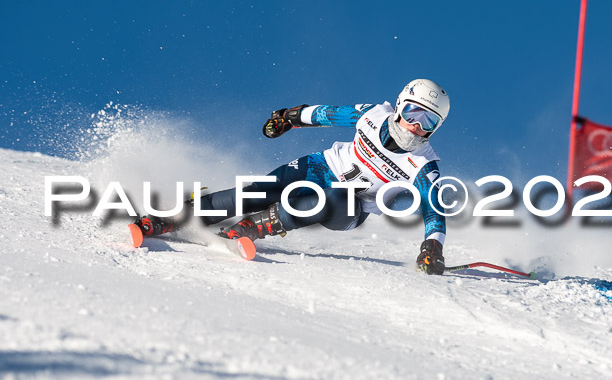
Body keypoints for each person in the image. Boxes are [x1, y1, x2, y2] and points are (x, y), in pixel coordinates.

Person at [134, 79, 450, 275]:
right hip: (320, 166)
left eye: (429, 122)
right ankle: (169, 219)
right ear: (398, 107)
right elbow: (329, 114)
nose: (416, 126)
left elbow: (434, 210)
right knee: (259, 191)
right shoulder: (373, 115)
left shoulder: (423, 164)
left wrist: (432, 247)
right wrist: (290, 117)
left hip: (348, 209)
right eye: (412, 113)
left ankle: (252, 228)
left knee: (336, 195)